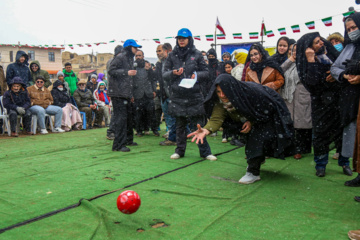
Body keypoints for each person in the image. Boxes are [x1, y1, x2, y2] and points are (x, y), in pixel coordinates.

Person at [188, 74, 295, 184]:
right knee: (251, 139)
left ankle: (253, 172)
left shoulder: (252, 92)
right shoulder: (220, 99)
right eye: (218, 92)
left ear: (232, 89)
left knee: (258, 139)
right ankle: (257, 159)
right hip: (250, 118)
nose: (222, 95)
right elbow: (217, 118)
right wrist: (206, 130)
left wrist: (252, 121)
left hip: (268, 113)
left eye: (224, 91)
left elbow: (267, 108)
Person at [296, 32, 351, 177]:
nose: (321, 43)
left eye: (320, 40)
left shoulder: (333, 54)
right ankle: (321, 164)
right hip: (321, 103)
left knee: (342, 133)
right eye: (316, 42)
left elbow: (345, 68)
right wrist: (311, 59)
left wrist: (336, 75)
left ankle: (344, 162)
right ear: (309, 47)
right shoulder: (306, 61)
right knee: (321, 134)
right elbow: (312, 83)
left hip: (339, 100)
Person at [163, 28, 216, 160]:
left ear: (189, 39)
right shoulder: (171, 55)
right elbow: (164, 74)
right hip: (178, 95)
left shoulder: (197, 54)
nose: (181, 40)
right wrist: (173, 73)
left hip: (194, 95)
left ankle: (205, 152)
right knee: (180, 125)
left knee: (198, 126)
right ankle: (180, 151)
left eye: (184, 38)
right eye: (179, 38)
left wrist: (196, 75)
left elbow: (207, 73)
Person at [331, 13, 360, 185]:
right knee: (354, 132)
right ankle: (358, 171)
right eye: (348, 29)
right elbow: (335, 67)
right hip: (350, 96)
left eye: (354, 27)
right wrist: (344, 75)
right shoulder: (349, 47)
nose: (351, 32)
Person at [281, 43, 312, 159]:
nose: (295, 52)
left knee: (301, 125)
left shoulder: (307, 62)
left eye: (298, 50)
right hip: (288, 97)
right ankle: (290, 148)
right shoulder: (289, 63)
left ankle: (300, 149)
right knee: (290, 124)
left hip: (302, 96)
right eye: (293, 50)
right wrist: (290, 59)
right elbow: (280, 70)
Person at [108, 39, 140, 152]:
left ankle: (125, 141)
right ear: (129, 47)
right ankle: (118, 145)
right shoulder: (121, 57)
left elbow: (128, 81)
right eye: (135, 47)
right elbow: (111, 70)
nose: (136, 50)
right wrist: (126, 72)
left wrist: (130, 94)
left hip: (123, 93)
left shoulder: (129, 58)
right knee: (120, 119)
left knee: (126, 118)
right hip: (118, 93)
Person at [132, 50, 159, 137]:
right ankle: (139, 131)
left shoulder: (148, 66)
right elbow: (130, 81)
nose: (138, 57)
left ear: (143, 56)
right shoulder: (132, 66)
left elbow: (153, 79)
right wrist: (131, 94)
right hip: (137, 94)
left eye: (140, 55)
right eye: (136, 56)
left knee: (151, 113)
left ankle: (154, 130)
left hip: (148, 93)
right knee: (138, 114)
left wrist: (154, 90)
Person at [156, 43, 177, 146]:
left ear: (167, 50)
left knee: (174, 115)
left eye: (160, 51)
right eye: (157, 52)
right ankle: (173, 132)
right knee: (168, 114)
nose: (158, 53)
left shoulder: (173, 61)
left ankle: (173, 137)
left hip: (173, 92)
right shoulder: (160, 63)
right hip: (164, 92)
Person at [106, 45, 123, 140]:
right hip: (116, 90)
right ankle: (111, 131)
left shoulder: (112, 61)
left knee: (118, 112)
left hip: (116, 90)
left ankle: (115, 131)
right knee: (116, 112)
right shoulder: (114, 62)